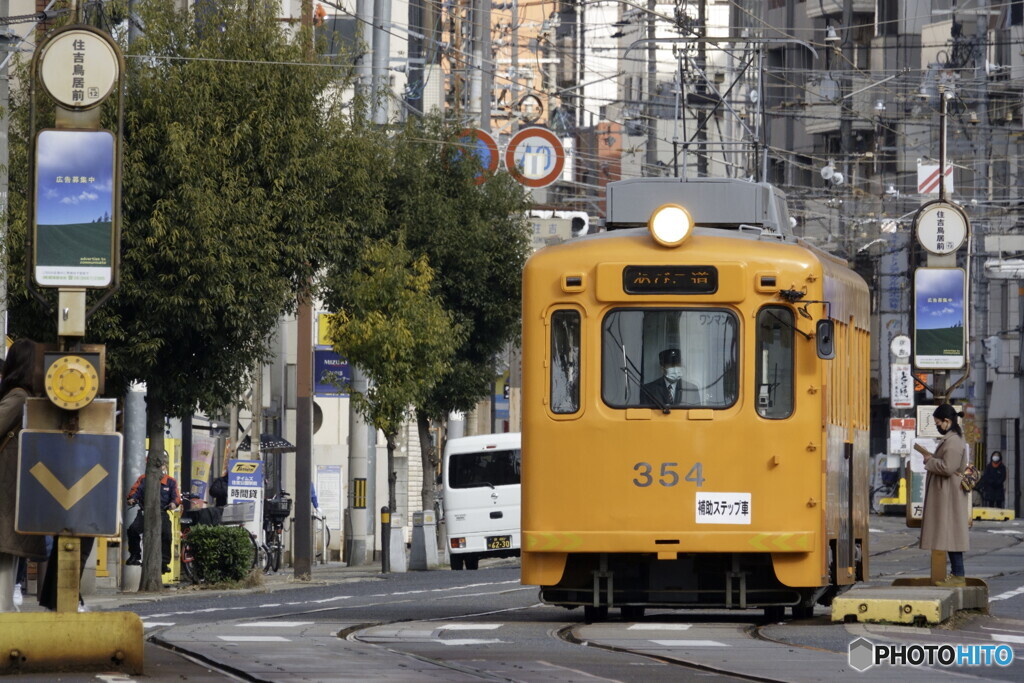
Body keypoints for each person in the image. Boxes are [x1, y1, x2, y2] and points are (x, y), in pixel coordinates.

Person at [0, 339, 48, 612]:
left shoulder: (20, 396)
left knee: (7, 562)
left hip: (9, 492)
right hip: (8, 493)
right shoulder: (21, 397)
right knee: (6, 564)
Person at [913, 403, 971, 587]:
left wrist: (930, 460)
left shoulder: (953, 441)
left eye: (938, 422)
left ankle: (958, 575)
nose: (937, 425)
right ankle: (956, 574)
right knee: (949, 533)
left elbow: (948, 467)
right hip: (947, 492)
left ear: (946, 421)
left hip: (949, 493)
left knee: (951, 533)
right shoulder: (952, 438)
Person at [125, 464, 181, 572]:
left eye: (160, 466)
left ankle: (164, 563)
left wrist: (173, 504)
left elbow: (176, 498)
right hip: (145, 513)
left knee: (166, 534)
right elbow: (134, 492)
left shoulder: (171, 481)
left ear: (164, 467)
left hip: (162, 512)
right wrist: (132, 499)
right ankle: (135, 555)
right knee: (132, 530)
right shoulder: (143, 478)